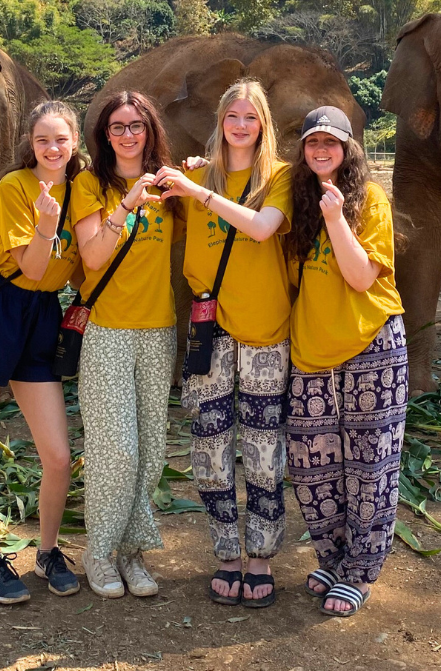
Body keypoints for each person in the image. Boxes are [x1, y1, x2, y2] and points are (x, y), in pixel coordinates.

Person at [156, 80, 292, 609]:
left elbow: (261, 230)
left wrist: (200, 193)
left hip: (264, 329)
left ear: (264, 126)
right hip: (208, 326)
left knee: (262, 447)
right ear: (220, 120)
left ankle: (260, 557)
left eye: (251, 118)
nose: (240, 126)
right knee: (209, 444)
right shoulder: (194, 174)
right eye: (233, 116)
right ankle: (227, 553)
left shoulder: (279, 177)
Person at [0, 100, 83, 604]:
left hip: (43, 316)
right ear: (30, 146)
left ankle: (48, 552)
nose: (53, 148)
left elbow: (76, 267)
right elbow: (31, 267)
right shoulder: (14, 189)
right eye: (42, 140)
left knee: (58, 455)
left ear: (75, 143)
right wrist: (48, 227)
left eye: (61, 139)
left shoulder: (82, 191)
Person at [283, 106, 408, 618]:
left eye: (331, 143)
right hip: (311, 352)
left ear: (349, 148)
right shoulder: (297, 201)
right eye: (313, 142)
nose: (321, 150)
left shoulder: (369, 201)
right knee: (314, 466)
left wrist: (337, 218)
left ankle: (360, 570)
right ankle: (333, 558)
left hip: (371, 346)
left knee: (368, 464)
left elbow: (360, 278)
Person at [71, 91, 182, 599]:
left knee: (150, 452)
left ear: (150, 129)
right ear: (104, 134)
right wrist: (126, 205)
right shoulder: (90, 184)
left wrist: (193, 175)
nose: (128, 134)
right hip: (109, 333)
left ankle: (132, 553)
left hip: (160, 332)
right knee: (116, 449)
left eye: (136, 125)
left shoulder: (168, 183)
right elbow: (93, 257)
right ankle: (98, 553)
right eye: (118, 127)